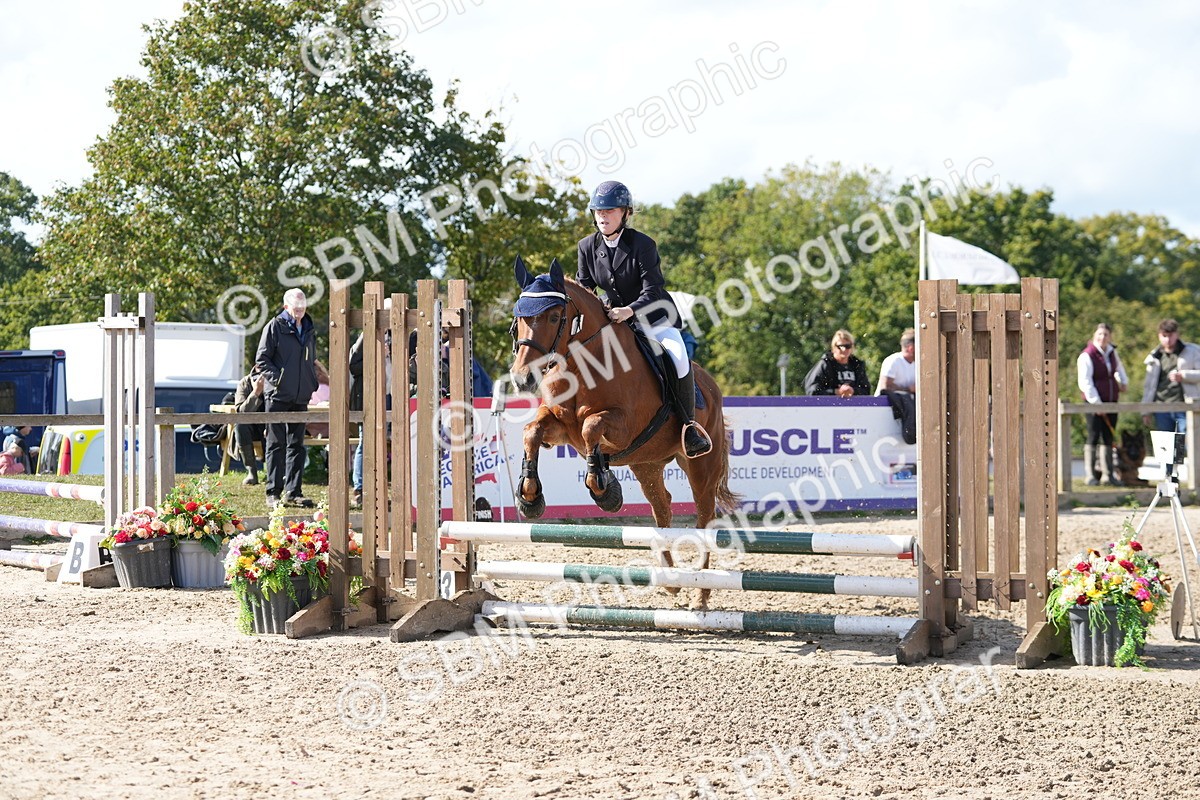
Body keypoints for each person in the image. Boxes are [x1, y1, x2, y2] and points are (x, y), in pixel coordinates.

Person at [574, 180, 711, 458]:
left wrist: (629, 310)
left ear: (625, 213)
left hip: (654, 316)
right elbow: (584, 289)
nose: (603, 216)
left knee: (677, 355)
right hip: (613, 319)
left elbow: (653, 289)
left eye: (610, 210)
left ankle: (689, 426)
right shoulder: (587, 247)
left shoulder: (643, 245)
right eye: (598, 211)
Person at [255, 288, 319, 509]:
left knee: (297, 445)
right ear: (286, 307)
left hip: (301, 395)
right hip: (278, 395)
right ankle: (273, 492)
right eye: (296, 308)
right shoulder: (274, 327)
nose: (300, 311)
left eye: (303, 307)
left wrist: (311, 382)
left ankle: (294, 492)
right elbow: (262, 360)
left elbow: (312, 359)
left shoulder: (309, 328)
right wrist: (279, 380)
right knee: (275, 444)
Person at [1077, 323, 1129, 486]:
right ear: (1094, 336)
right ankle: (1091, 476)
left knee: (1108, 436)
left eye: (1106, 334)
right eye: (1099, 334)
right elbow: (1085, 382)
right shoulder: (1087, 355)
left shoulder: (1112, 353)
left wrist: (1123, 382)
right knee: (1093, 436)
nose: (1102, 337)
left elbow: (1119, 370)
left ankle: (1108, 475)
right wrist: (1097, 404)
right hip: (1094, 402)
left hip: (1111, 401)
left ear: (1110, 337)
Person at [1141, 319, 1200, 434]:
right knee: (1166, 447)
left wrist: (1183, 376)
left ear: (1177, 334)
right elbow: (1148, 387)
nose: (1167, 339)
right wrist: (1145, 411)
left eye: (1171, 335)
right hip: (1162, 408)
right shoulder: (1154, 357)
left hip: (1185, 406)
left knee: (1187, 444)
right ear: (1159, 336)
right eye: (1164, 336)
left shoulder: (1193, 351)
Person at [805, 330, 872, 397]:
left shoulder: (857, 365)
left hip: (853, 406)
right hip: (829, 406)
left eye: (847, 346)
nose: (844, 349)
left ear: (852, 347)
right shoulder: (825, 364)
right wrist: (836, 392)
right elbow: (812, 391)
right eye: (840, 346)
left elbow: (866, 390)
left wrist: (852, 391)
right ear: (834, 347)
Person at [232, 365, 267, 486]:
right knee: (241, 424)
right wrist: (256, 392)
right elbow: (242, 412)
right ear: (256, 366)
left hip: (269, 423)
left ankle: (274, 471)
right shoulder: (245, 383)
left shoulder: (276, 381)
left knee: (277, 426)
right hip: (251, 427)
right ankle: (251, 471)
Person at [875, 328, 916, 395]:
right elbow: (886, 387)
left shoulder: (917, 364)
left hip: (904, 404)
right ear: (911, 348)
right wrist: (909, 389)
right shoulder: (893, 361)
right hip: (886, 404)